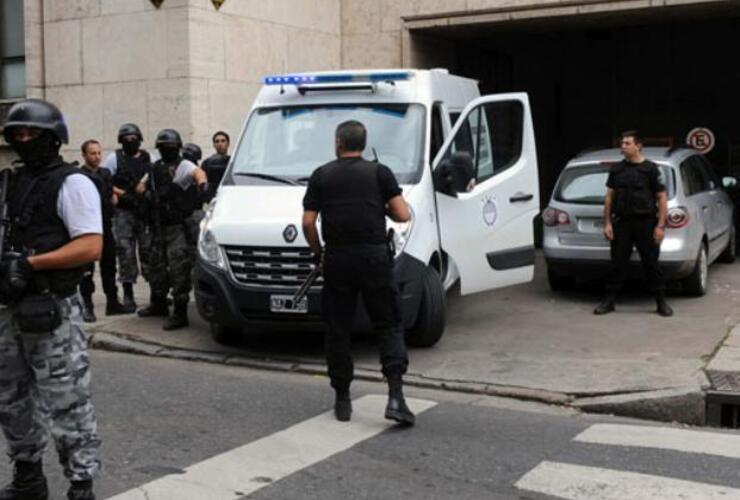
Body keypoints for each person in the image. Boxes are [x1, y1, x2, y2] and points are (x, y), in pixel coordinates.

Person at [0, 99, 102, 499]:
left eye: (33, 134)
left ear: (54, 137)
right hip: (8, 310)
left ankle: (81, 485)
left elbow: (91, 245)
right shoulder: (9, 182)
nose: (25, 140)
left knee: (67, 402)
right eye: (17, 134)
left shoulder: (73, 183)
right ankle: (29, 477)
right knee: (10, 399)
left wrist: (31, 263)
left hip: (51, 310)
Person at [302, 120, 415, 425]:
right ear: (363, 144)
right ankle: (395, 397)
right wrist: (383, 207)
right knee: (389, 324)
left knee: (338, 328)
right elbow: (403, 214)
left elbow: (308, 223)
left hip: (338, 258)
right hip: (374, 256)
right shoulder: (380, 172)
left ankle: (342, 399)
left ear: (339, 141)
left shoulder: (322, 175)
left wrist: (319, 253)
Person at [595, 130, 673, 317]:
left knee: (651, 264)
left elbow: (662, 198)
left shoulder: (651, 169)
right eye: (622, 143)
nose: (623, 146)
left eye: (627, 143)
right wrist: (607, 223)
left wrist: (660, 226)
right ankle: (609, 301)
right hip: (622, 223)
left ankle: (661, 302)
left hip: (646, 223)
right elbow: (609, 198)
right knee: (617, 264)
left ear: (638, 145)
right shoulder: (617, 169)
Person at [136, 129, 208, 330]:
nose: (167, 150)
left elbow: (198, 173)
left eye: (170, 147)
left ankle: (180, 312)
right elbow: (140, 188)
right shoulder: (155, 167)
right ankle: (158, 303)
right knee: (156, 266)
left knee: (178, 268)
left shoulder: (183, 165)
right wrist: (150, 195)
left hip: (177, 227)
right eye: (164, 147)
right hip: (158, 225)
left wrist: (202, 185)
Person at [103, 123, 152, 312]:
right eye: (126, 139)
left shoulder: (148, 157)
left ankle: (156, 294)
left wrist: (144, 185)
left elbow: (154, 175)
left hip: (144, 211)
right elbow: (105, 179)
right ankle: (128, 295)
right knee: (125, 253)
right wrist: (120, 192)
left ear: (139, 139)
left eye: (134, 139)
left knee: (149, 251)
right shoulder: (113, 158)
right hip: (123, 213)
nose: (130, 142)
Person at [78, 140, 128, 321]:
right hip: (87, 227)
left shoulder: (105, 173)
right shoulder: (79, 175)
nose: (97, 157)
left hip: (105, 224)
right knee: (86, 269)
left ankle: (112, 302)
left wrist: (114, 197)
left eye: (99, 153)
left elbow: (108, 194)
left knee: (109, 266)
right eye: (92, 153)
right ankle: (88, 306)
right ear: (84, 155)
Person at [200, 131, 230, 204]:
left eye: (223, 141)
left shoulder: (232, 162)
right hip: (213, 200)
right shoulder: (207, 163)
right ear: (214, 145)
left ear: (228, 144)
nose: (220, 144)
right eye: (217, 141)